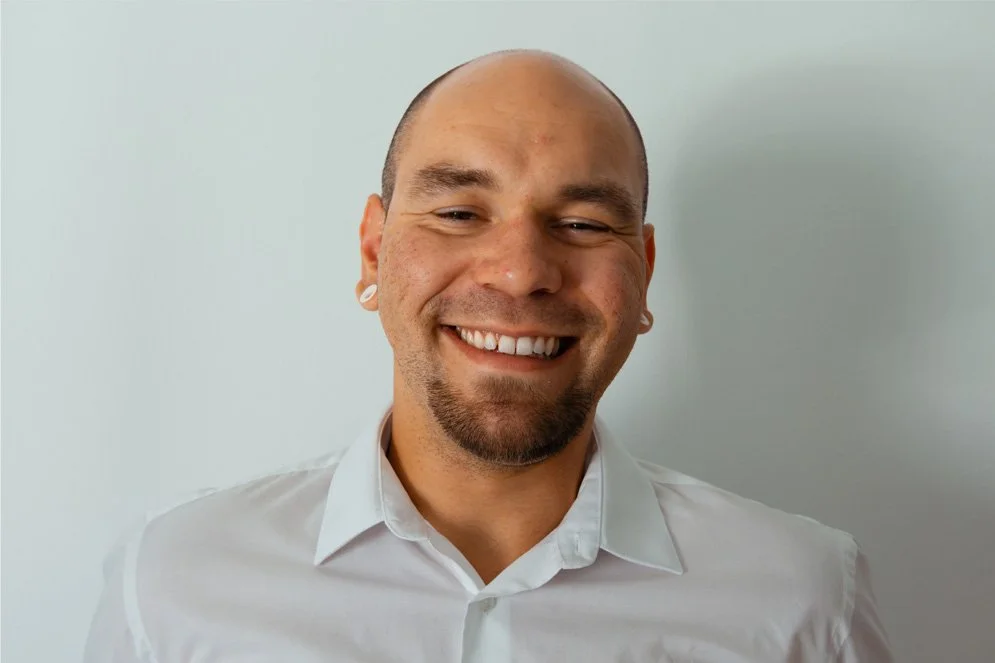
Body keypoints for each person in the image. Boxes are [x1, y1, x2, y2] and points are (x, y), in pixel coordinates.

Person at [84, 49, 893, 662]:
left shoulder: (803, 597)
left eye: (580, 224)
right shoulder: (174, 583)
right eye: (460, 212)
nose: (520, 272)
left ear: (641, 272)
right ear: (373, 252)